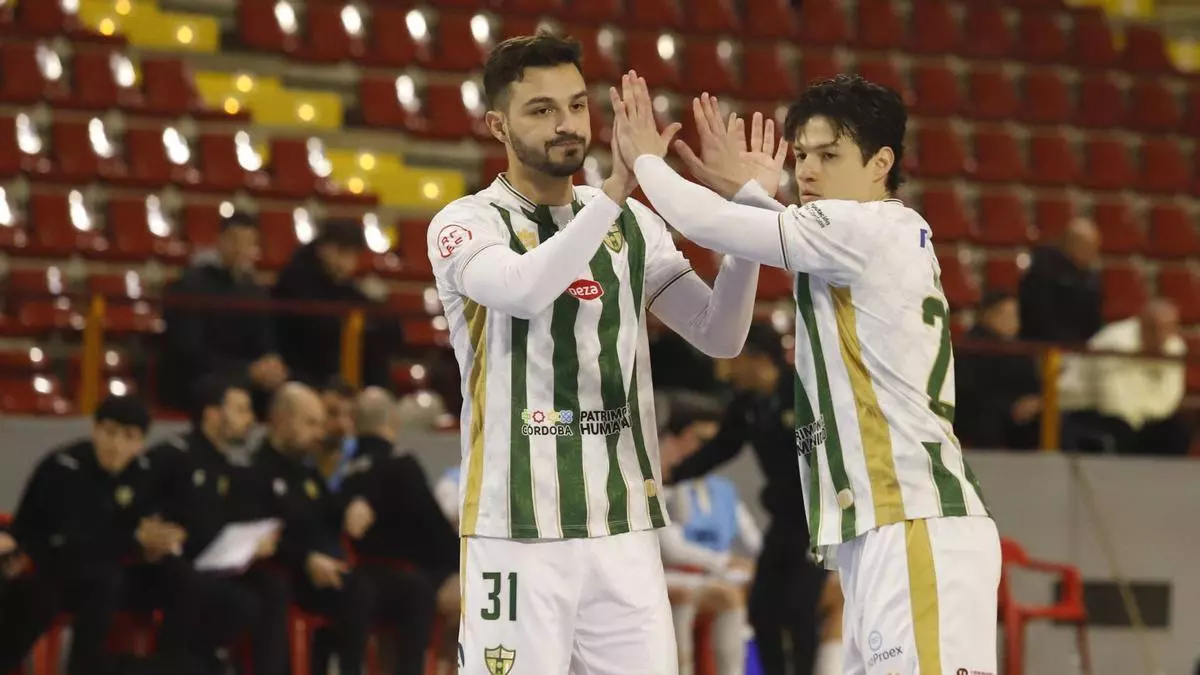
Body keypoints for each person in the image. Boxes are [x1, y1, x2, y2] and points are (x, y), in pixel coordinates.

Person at [616, 75, 998, 674]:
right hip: (881, 528)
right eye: (801, 156)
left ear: (881, 163)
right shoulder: (867, 236)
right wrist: (747, 195)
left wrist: (643, 155)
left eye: (829, 155)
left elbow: (707, 226)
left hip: (915, 523)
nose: (808, 172)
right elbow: (767, 230)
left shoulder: (864, 229)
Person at [426, 32, 762, 675]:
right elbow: (523, 290)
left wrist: (744, 218)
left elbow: (721, 335)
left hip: (624, 526)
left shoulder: (634, 225)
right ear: (498, 124)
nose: (566, 125)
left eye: (577, 106)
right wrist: (617, 188)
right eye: (541, 109)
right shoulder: (466, 222)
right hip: (516, 526)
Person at [665, 325, 838, 675]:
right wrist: (671, 475)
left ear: (759, 359)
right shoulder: (747, 404)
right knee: (762, 607)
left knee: (801, 608)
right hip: (785, 521)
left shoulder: (804, 392)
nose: (729, 368)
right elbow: (720, 448)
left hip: (817, 519)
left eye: (737, 359)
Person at [0, 395, 178, 675]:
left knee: (172, 579)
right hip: (48, 565)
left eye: (128, 436)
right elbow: (65, 538)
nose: (116, 444)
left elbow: (148, 526)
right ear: (94, 430)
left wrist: (159, 541)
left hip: (108, 572)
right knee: (93, 583)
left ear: (140, 443)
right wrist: (133, 541)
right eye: (109, 432)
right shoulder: (64, 467)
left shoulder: (143, 475)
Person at [142, 374, 291, 675]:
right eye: (241, 410)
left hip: (214, 562)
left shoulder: (230, 465)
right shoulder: (172, 454)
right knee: (237, 602)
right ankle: (191, 663)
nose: (250, 419)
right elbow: (141, 508)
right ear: (212, 414)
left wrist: (253, 544)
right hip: (171, 563)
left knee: (274, 588)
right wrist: (150, 529)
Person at [244, 383, 376, 675]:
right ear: (282, 419)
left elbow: (331, 508)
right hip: (287, 573)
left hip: (323, 571)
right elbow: (263, 538)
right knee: (355, 591)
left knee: (368, 587)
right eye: (311, 422)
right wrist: (305, 559)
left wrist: (353, 506)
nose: (320, 432)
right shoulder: (255, 472)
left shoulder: (305, 470)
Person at [340, 387, 459, 675]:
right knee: (470, 593)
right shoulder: (401, 466)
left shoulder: (345, 475)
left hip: (365, 584)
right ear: (394, 420)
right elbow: (435, 529)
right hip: (413, 582)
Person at [656, 391, 761, 675]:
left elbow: (753, 541)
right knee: (722, 595)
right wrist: (724, 562)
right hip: (669, 572)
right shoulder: (663, 483)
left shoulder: (723, 490)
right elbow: (672, 548)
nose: (707, 454)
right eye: (702, 442)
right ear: (676, 439)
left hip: (711, 575)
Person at [160, 212, 288, 416]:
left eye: (248, 243)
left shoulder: (255, 291)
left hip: (246, 374)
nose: (240, 249)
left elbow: (265, 340)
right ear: (219, 242)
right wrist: (246, 371)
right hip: (199, 376)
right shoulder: (190, 285)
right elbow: (188, 350)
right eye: (234, 240)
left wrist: (271, 362)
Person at [273, 219, 399, 388]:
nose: (350, 263)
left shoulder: (344, 286)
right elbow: (316, 331)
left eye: (354, 255)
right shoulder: (295, 281)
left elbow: (392, 332)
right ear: (326, 249)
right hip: (303, 377)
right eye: (346, 254)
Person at [1060, 298, 1190, 456]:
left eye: (1168, 329)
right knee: (1120, 430)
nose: (1161, 336)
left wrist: (1147, 414)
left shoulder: (1175, 348)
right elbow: (1113, 402)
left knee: (1178, 430)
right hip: (1084, 407)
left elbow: (1170, 399)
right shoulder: (1114, 344)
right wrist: (1146, 413)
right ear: (1141, 323)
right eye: (1154, 328)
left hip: (1140, 417)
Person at [955, 291, 1042, 450]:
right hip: (984, 420)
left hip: (1020, 418)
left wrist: (1034, 402)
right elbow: (971, 394)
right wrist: (1012, 408)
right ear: (988, 316)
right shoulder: (971, 348)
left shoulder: (1018, 349)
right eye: (1006, 315)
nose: (1012, 322)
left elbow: (1032, 383)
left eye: (1015, 315)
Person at [1018, 217, 1104, 345]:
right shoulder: (1043, 268)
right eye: (1089, 248)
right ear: (1073, 244)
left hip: (1080, 345)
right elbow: (1039, 314)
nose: (1093, 254)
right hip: (1044, 344)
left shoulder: (1089, 276)